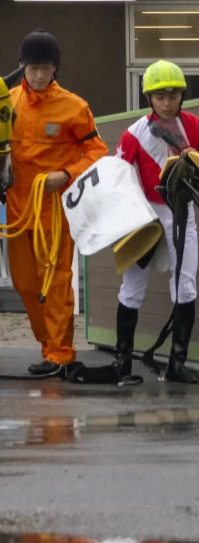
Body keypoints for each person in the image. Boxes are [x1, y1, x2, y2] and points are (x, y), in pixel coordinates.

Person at [8, 30, 107, 375]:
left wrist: (66, 173)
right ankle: (47, 345)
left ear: (55, 69)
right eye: (33, 68)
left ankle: (59, 353)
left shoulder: (74, 107)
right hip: (18, 211)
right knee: (24, 284)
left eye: (45, 68)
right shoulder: (7, 103)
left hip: (54, 213)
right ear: (22, 66)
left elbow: (97, 152)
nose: (38, 75)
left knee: (56, 283)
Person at [113, 59, 199, 384]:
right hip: (143, 215)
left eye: (173, 95)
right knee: (132, 287)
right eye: (160, 96)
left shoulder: (194, 126)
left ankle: (177, 363)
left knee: (186, 285)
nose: (167, 102)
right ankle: (122, 361)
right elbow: (117, 175)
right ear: (148, 97)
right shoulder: (134, 133)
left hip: (181, 211)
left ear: (182, 95)